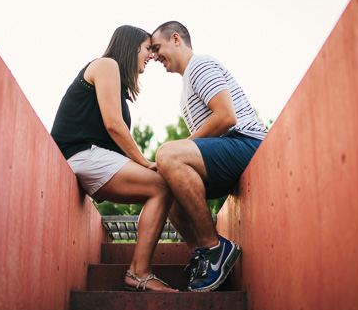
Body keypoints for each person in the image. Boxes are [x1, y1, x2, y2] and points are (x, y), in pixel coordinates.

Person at [51, 25, 176, 292]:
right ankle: (139, 272)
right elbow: (113, 126)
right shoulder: (106, 65)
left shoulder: (116, 82)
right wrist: (144, 162)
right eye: (147, 49)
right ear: (131, 47)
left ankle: (141, 271)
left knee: (164, 188)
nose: (151, 56)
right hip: (80, 155)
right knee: (161, 186)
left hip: (89, 157)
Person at [151, 21, 268, 292]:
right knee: (160, 182)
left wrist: (176, 153)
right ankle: (205, 259)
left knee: (167, 155)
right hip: (226, 153)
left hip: (246, 143)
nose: (155, 56)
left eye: (157, 48)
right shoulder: (184, 91)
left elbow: (226, 116)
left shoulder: (199, 65)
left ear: (176, 39)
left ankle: (214, 246)